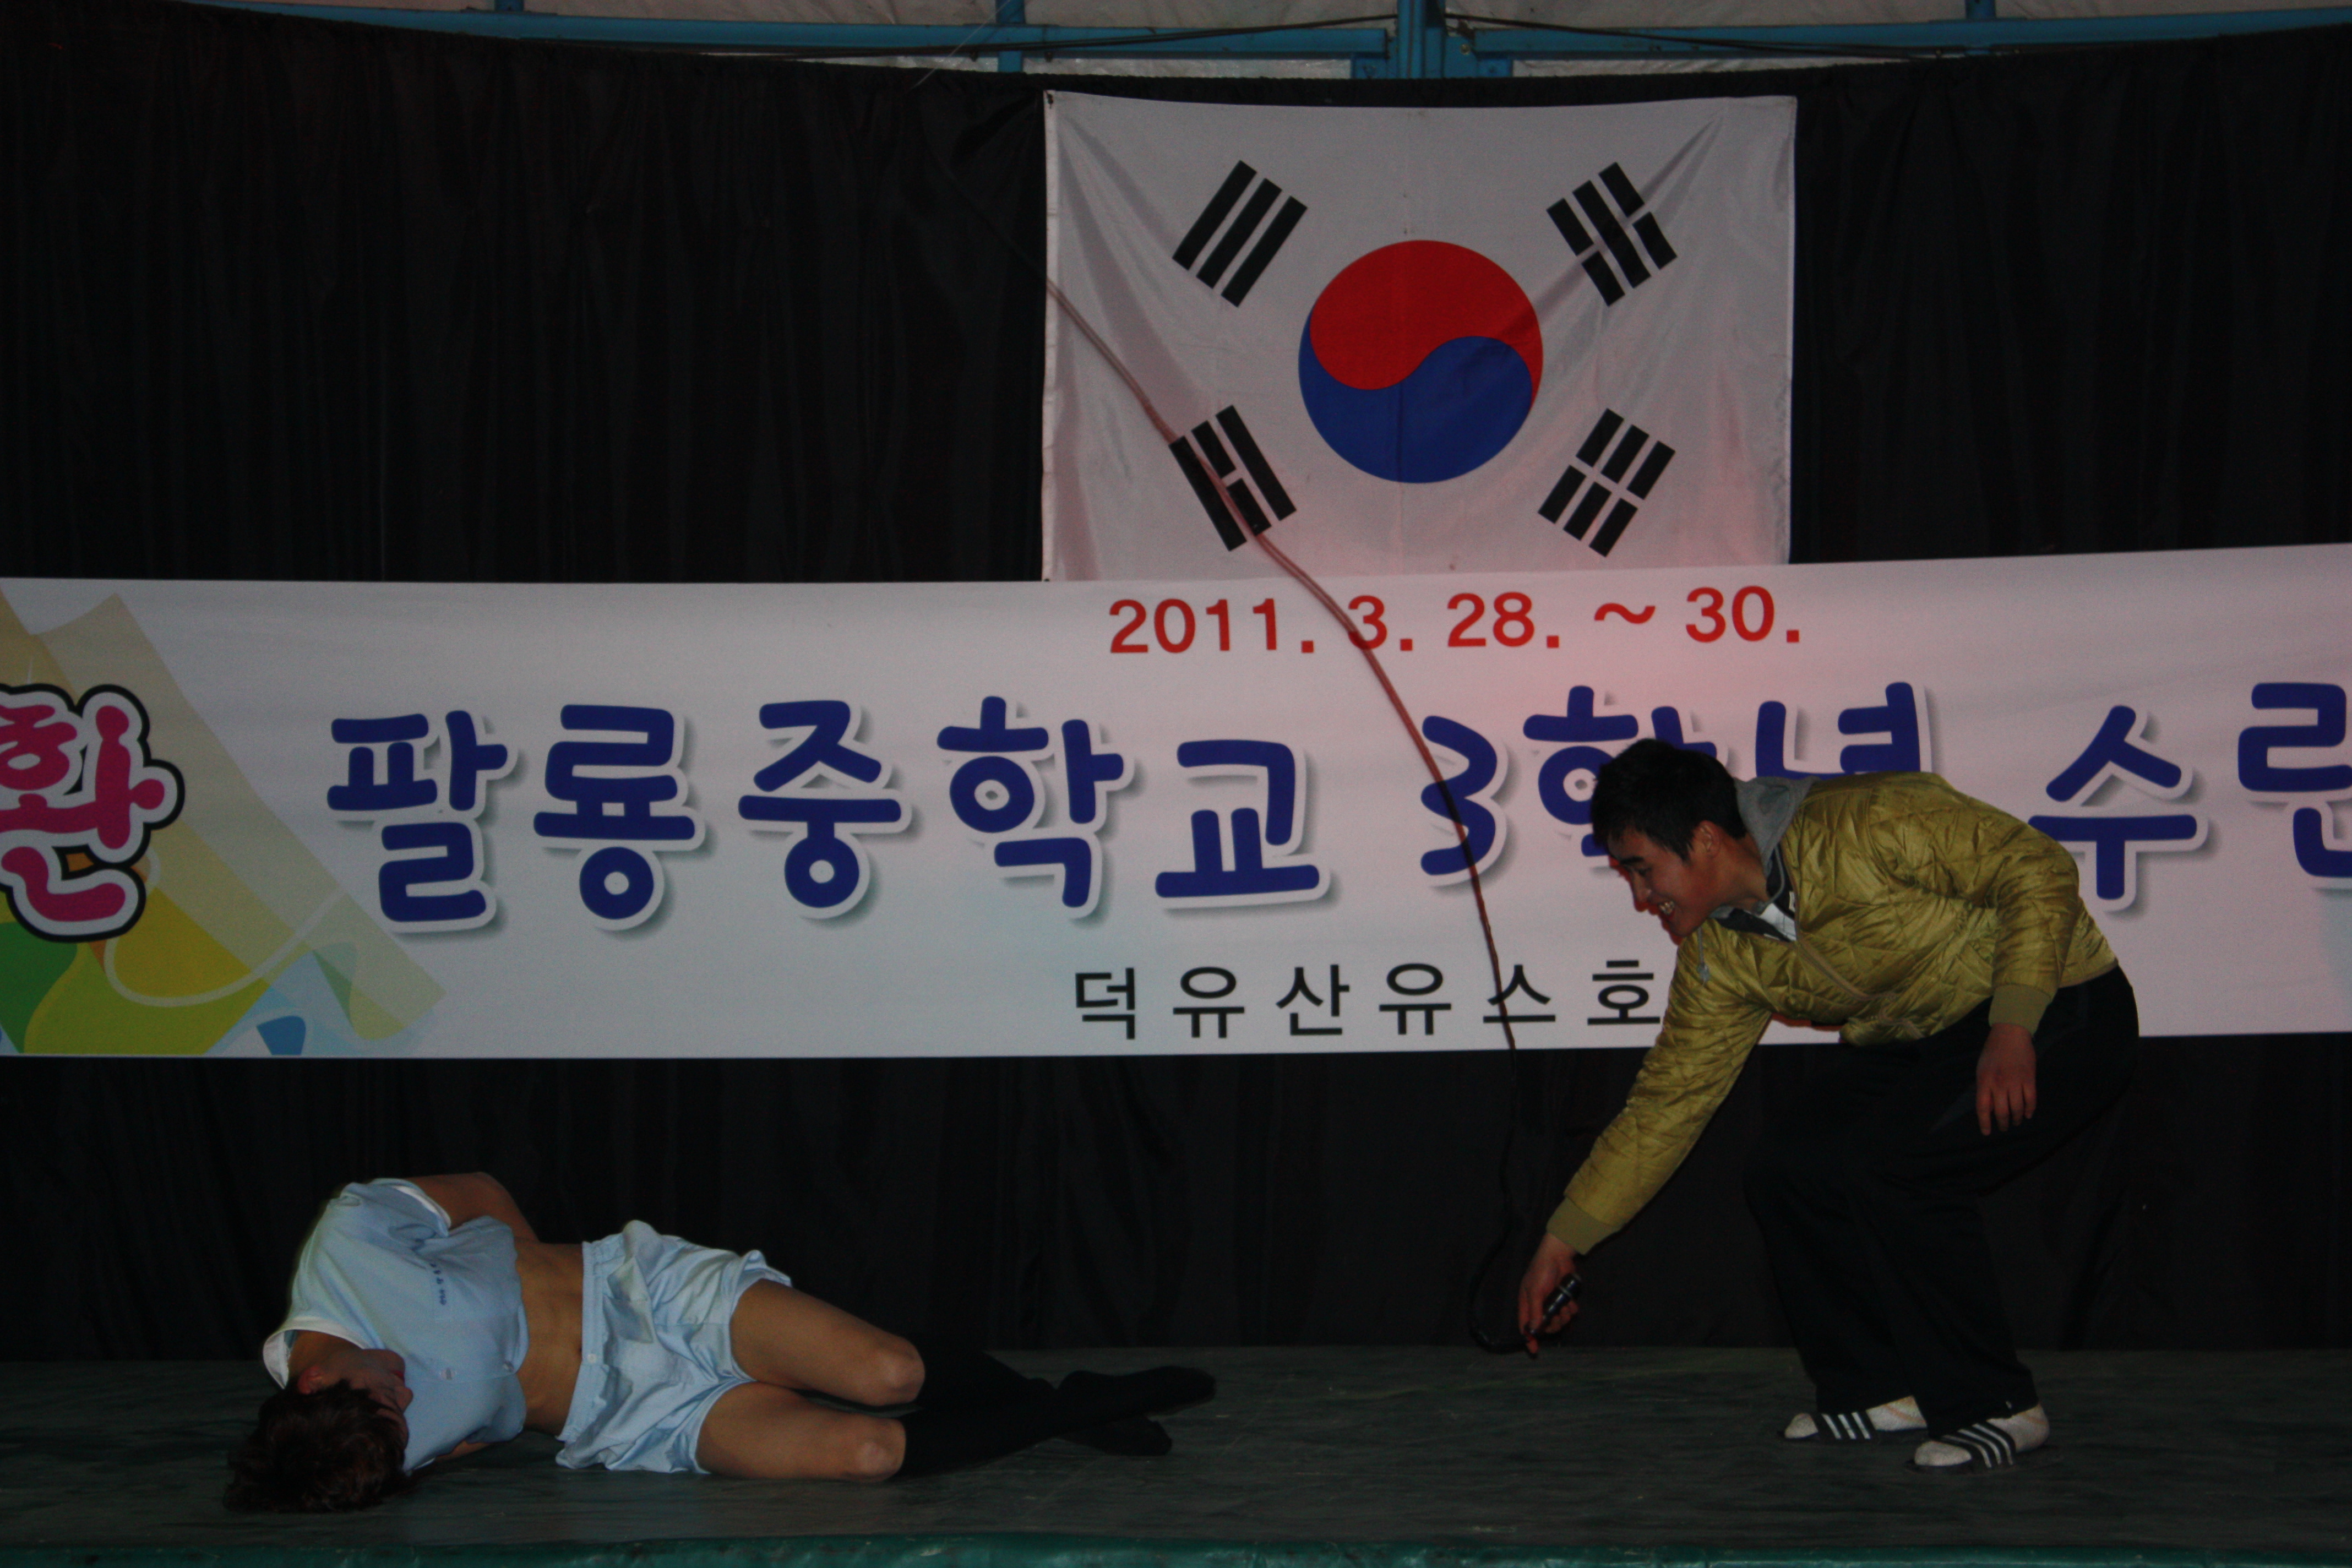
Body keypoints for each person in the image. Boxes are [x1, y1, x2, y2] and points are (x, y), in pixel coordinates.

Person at [1515, 741, 2135, 1474]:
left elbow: (2035, 866)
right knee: (1791, 1167)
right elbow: (1667, 1103)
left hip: (2058, 1006)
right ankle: (1879, 1388)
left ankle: (1996, 1404)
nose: (1641, 898)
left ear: (1706, 839)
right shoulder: (1722, 954)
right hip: (1922, 1038)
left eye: (1643, 870)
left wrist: (2014, 1022)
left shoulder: (1868, 821)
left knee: (1896, 1169)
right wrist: (1564, 1239)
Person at [226, 1173, 1212, 1511]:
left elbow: (478, 1193)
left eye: (385, 1388)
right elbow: (471, 1435)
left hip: (650, 1294)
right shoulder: (376, 1445)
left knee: (889, 1373)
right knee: (869, 1454)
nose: (407, 1392)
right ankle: (1074, 1404)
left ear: (312, 1381)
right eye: (403, 1416)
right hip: (632, 1416)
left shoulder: (350, 1242)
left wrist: (544, 1273)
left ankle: (1069, 1399)